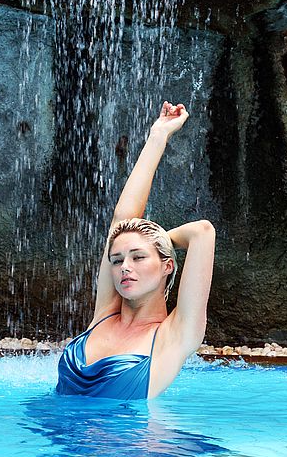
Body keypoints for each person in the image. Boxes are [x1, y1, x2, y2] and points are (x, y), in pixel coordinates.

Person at [56, 101, 216, 399]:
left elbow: (202, 232)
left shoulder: (176, 334)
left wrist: (154, 241)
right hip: (56, 443)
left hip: (129, 446)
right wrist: (158, 135)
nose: (124, 267)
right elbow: (122, 219)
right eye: (116, 260)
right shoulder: (104, 314)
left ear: (167, 265)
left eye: (138, 258)